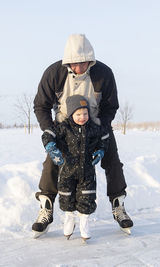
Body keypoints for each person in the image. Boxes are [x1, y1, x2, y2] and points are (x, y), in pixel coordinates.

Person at [32, 33, 133, 238]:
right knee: (51, 164)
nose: (80, 68)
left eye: (84, 63)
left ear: (91, 59)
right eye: (75, 64)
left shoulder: (104, 73)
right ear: (68, 61)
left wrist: (101, 133)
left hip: (96, 126)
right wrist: (50, 134)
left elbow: (110, 107)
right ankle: (46, 208)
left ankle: (118, 204)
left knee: (112, 161)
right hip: (65, 128)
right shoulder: (54, 73)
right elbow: (41, 106)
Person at [41, 95, 109, 240]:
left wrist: (101, 150)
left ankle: (84, 222)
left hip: (87, 171)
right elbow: (48, 134)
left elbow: (105, 136)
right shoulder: (64, 127)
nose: (82, 117)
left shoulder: (93, 128)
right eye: (78, 114)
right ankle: (69, 218)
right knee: (66, 197)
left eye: (85, 113)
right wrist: (51, 147)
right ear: (71, 114)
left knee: (87, 197)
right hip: (67, 171)